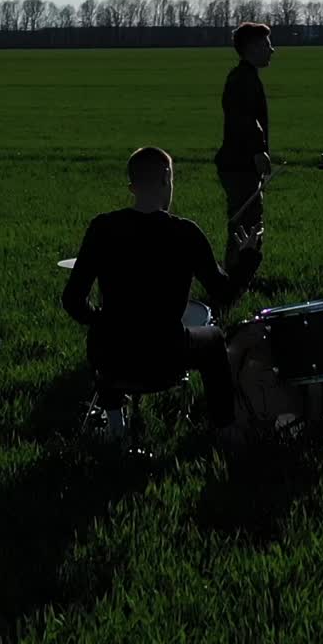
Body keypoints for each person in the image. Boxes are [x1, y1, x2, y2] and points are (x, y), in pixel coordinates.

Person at [61, 146, 262, 440]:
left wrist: (102, 321)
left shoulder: (102, 228)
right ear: (167, 178)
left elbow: (72, 301)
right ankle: (225, 429)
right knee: (215, 338)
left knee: (103, 334)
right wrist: (248, 259)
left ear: (132, 186)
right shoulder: (186, 233)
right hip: (166, 356)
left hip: (113, 357)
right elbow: (225, 294)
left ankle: (115, 421)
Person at [214, 21, 274, 271]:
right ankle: (235, 281)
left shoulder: (243, 77)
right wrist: (258, 152)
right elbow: (245, 120)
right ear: (254, 47)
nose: (272, 50)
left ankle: (235, 279)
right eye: (268, 44)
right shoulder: (243, 80)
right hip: (240, 165)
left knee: (245, 222)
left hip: (238, 163)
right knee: (246, 225)